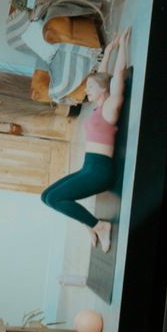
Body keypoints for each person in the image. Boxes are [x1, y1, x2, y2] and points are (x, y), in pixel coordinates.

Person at [38, 26, 133, 252]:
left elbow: (117, 75)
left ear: (102, 90)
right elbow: (101, 76)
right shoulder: (97, 106)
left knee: (55, 200)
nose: (86, 93)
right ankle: (90, 225)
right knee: (45, 197)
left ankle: (99, 226)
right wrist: (108, 51)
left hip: (100, 172)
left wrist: (123, 47)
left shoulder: (110, 107)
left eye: (90, 89)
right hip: (88, 168)